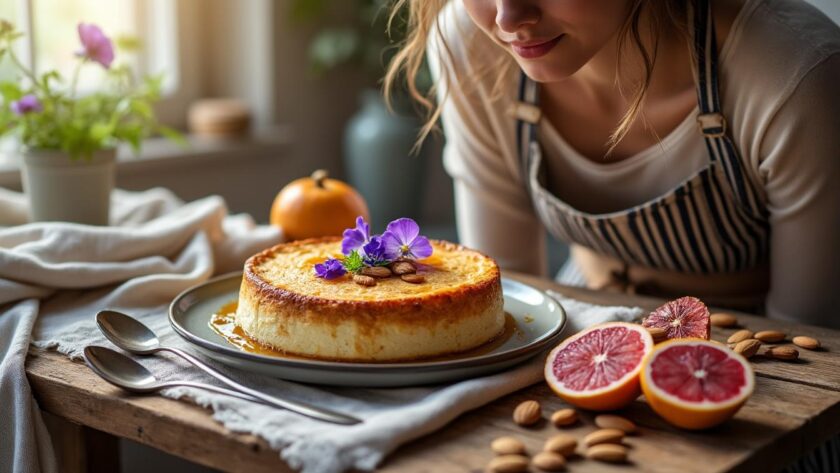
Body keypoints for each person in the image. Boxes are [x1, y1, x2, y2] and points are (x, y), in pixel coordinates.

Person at [384, 0, 840, 329]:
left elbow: (810, 342)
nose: (508, 18)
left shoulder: (797, 76)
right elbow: (508, 304)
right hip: (587, 328)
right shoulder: (471, 45)